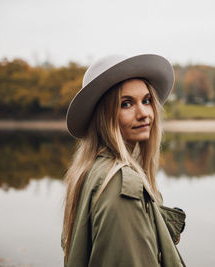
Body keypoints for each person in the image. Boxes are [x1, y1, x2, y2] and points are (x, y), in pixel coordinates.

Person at [62, 54, 186, 267]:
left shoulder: (93, 170)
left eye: (146, 101)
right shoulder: (120, 184)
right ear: (103, 116)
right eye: (126, 104)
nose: (144, 113)